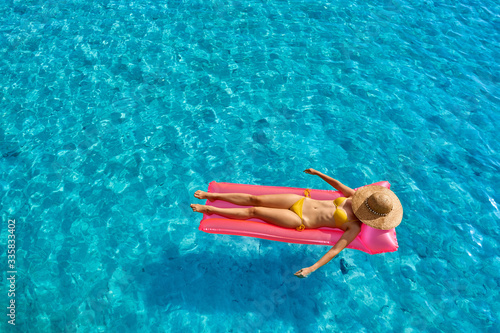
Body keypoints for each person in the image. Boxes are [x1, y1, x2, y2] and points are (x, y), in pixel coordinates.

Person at [190, 168, 403, 278]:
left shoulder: (354, 227)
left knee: (255, 211)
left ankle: (211, 209)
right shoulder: (353, 197)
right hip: (300, 200)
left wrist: (311, 268)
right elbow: (337, 184)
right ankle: (212, 195)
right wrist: (318, 173)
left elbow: (334, 251)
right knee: (255, 199)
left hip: (300, 220)